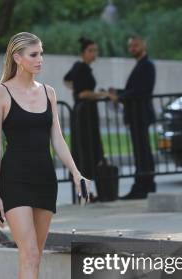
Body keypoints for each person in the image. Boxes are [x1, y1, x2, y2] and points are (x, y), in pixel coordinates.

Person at [0, 32, 91, 279]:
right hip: (14, 182)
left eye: (41, 54)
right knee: (28, 253)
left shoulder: (48, 92)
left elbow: (57, 139)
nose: (40, 59)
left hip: (45, 181)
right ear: (17, 57)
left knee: (33, 260)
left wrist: (76, 173)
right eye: (33, 54)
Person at [110, 35, 156, 199]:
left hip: (141, 114)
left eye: (135, 45)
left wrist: (120, 96)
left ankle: (144, 185)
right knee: (141, 151)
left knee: (142, 151)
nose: (133, 49)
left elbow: (142, 91)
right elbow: (136, 89)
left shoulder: (147, 65)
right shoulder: (141, 65)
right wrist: (119, 93)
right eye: (130, 46)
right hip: (136, 114)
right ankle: (144, 184)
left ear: (144, 45)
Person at [63, 37, 109, 196]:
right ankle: (85, 190)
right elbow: (82, 93)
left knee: (87, 149)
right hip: (84, 114)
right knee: (86, 149)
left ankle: (86, 190)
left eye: (95, 50)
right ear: (83, 53)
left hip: (85, 113)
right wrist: (101, 95)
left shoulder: (80, 67)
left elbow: (68, 81)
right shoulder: (81, 68)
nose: (94, 53)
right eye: (91, 50)